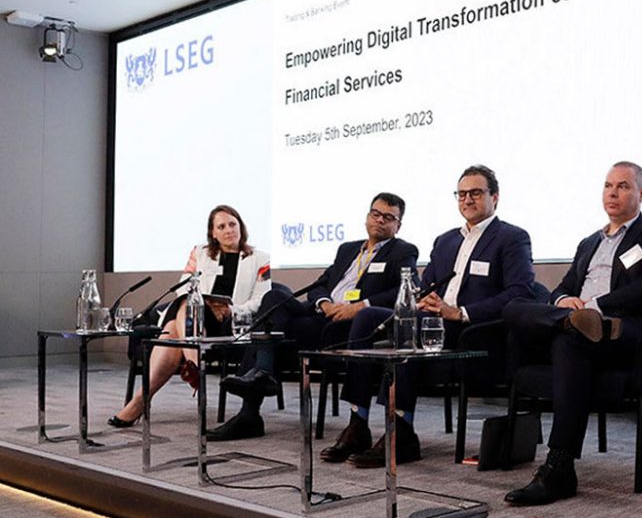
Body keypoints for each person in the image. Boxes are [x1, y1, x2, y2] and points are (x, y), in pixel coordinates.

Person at [321, 165, 536, 467]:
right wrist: (423, 300)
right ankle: (358, 423)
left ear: (495, 197)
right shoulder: (445, 240)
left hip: (473, 331)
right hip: (432, 321)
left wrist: (460, 312)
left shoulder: (512, 238)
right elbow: (423, 288)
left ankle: (402, 431)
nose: (467, 200)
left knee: (413, 326)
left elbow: (521, 293)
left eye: (476, 193)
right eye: (461, 194)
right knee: (368, 318)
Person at [502, 161, 642, 506]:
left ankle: (558, 467)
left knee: (570, 339)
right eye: (608, 185)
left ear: (641, 193)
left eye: (623, 186)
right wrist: (563, 301)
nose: (613, 193)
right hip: (580, 326)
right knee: (516, 309)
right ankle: (567, 321)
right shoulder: (589, 242)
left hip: (628, 331)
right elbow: (565, 286)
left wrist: (596, 307)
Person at [209, 193, 419, 441]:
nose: (380, 220)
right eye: (376, 214)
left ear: (398, 225)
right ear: (367, 217)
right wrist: (324, 302)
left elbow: (409, 288)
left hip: (352, 324)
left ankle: (249, 412)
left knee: (271, 339)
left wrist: (361, 306)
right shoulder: (348, 249)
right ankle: (260, 379)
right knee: (275, 296)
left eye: (388, 217)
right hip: (322, 315)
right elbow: (320, 285)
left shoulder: (402, 251)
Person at [108, 205, 271, 427]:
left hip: (226, 322)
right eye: (221, 226)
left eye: (232, 224)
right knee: (184, 307)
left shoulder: (259, 259)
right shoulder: (200, 253)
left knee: (171, 332)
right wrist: (202, 302)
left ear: (240, 226)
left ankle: (140, 401)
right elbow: (183, 286)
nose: (228, 230)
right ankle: (195, 362)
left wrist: (233, 310)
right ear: (213, 233)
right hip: (195, 316)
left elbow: (261, 300)